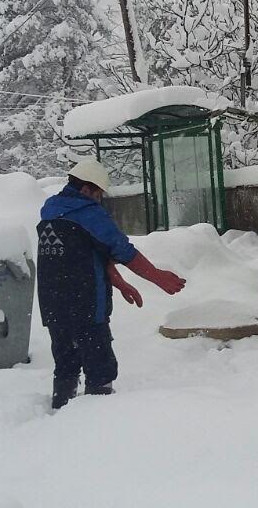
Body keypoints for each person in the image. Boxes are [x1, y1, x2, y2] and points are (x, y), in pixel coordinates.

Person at [36, 159, 186, 410]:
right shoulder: (88, 213)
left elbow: (83, 254)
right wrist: (158, 277)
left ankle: (61, 411)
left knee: (65, 361)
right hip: (86, 304)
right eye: (98, 194)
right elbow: (121, 250)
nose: (100, 200)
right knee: (100, 365)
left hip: (53, 305)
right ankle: (100, 419)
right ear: (85, 190)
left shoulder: (49, 212)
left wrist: (119, 282)